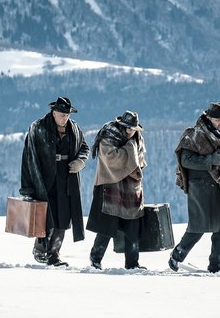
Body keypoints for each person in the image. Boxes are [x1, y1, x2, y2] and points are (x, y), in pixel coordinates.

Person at [169, 102, 220, 273]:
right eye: (217, 119)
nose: (219, 122)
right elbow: (185, 160)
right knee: (198, 227)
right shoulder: (194, 135)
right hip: (201, 188)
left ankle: (218, 265)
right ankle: (177, 255)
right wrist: (210, 161)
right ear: (208, 117)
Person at [20, 96, 89, 266]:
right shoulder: (38, 128)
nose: (65, 117)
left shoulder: (75, 129)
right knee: (46, 218)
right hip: (44, 179)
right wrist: (27, 189)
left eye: (67, 114)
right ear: (54, 112)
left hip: (66, 178)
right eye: (62, 114)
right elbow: (28, 158)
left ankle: (53, 255)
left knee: (63, 220)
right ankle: (39, 249)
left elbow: (84, 147)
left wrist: (80, 161)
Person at [86, 110, 147, 270]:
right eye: (128, 128)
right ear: (121, 125)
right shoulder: (108, 137)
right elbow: (111, 158)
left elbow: (140, 159)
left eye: (133, 128)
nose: (130, 131)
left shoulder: (137, 140)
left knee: (132, 226)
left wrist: (132, 152)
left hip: (131, 187)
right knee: (107, 226)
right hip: (110, 185)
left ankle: (132, 263)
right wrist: (129, 149)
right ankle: (95, 259)